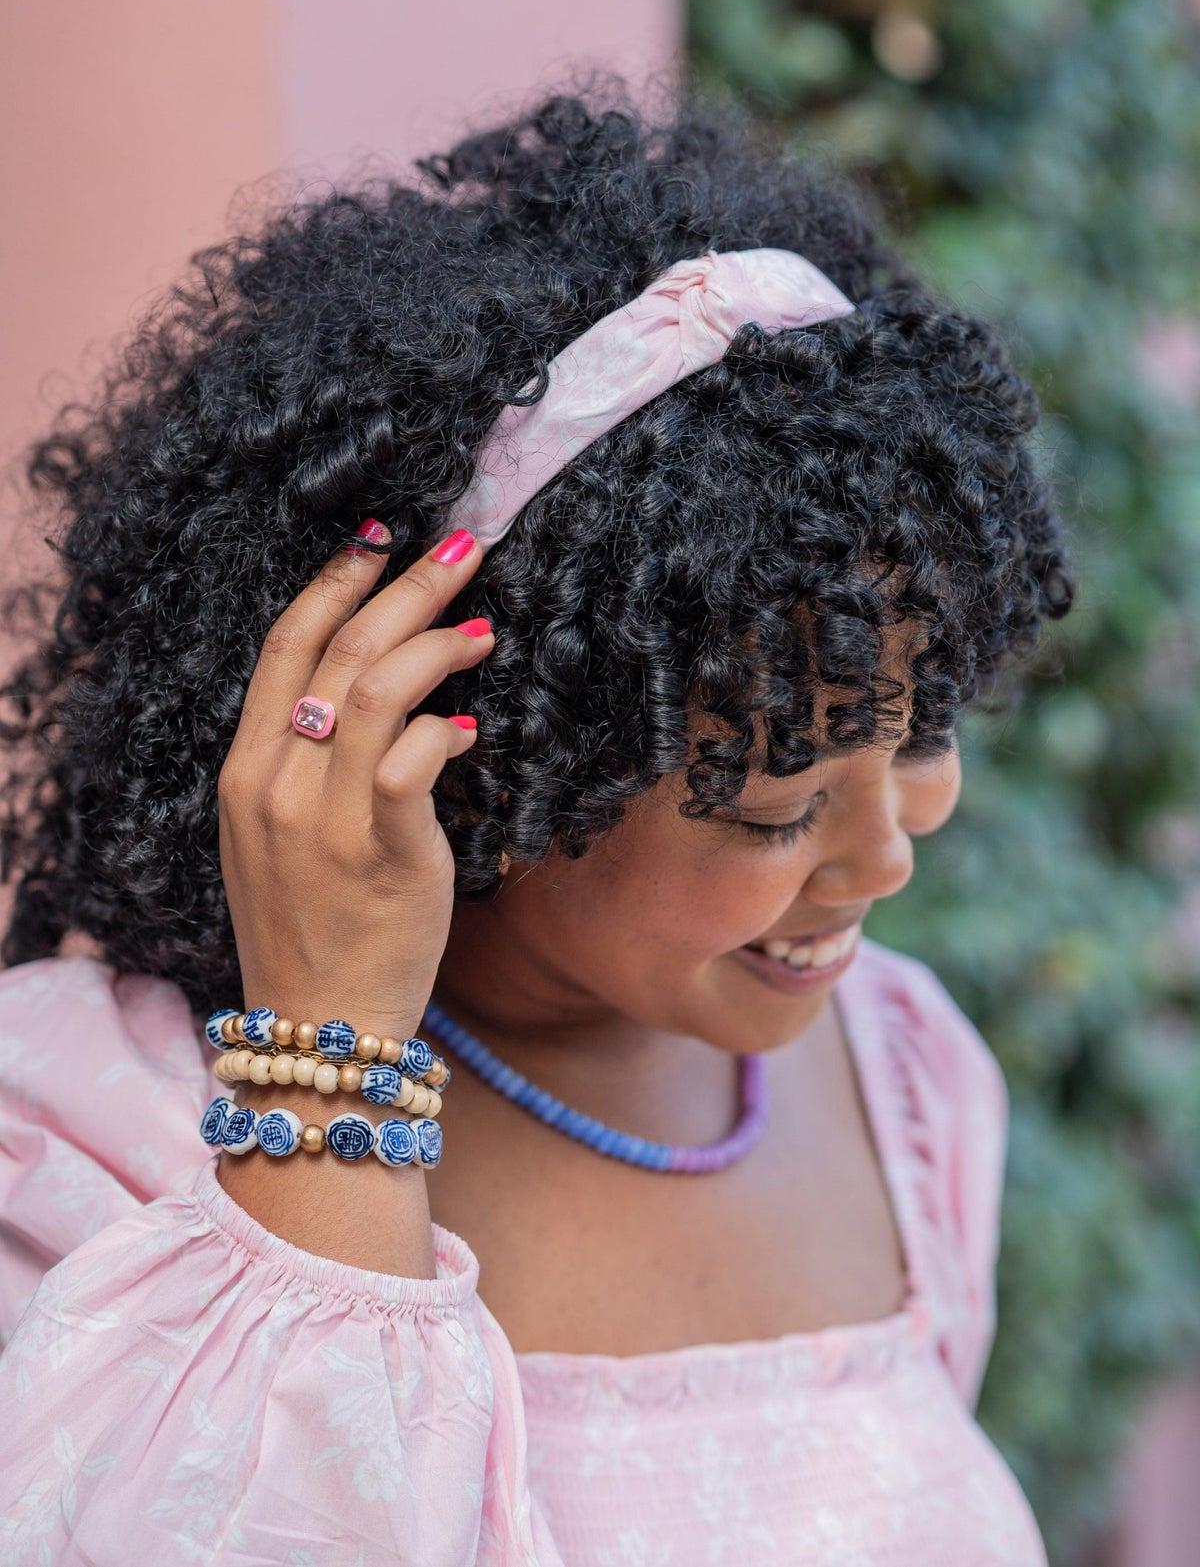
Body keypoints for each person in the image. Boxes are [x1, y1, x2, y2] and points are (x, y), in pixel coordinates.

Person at [0, 90, 1071, 1564]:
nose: (890, 854)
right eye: (777, 800)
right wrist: (329, 1059)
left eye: (927, 728)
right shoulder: (89, 1149)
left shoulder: (911, 1087)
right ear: (479, 758)